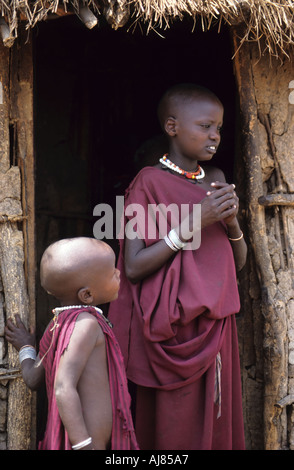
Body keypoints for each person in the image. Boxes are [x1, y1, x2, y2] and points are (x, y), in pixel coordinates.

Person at [108, 83, 247, 450]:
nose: (214, 135)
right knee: (172, 431)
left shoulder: (215, 179)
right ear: (172, 127)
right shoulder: (148, 184)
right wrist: (194, 222)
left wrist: (231, 224)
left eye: (218, 127)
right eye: (204, 126)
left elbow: (238, 264)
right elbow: (134, 266)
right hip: (171, 334)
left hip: (215, 328)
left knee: (214, 427)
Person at [5, 237, 139, 451]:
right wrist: (83, 445)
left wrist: (26, 347)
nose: (118, 273)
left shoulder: (57, 323)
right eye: (112, 271)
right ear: (87, 294)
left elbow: (32, 378)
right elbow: (62, 387)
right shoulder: (87, 324)